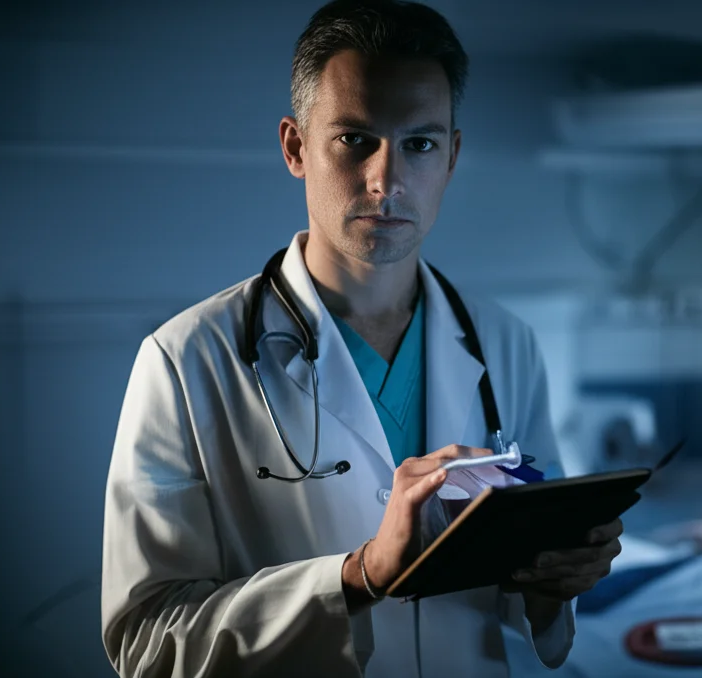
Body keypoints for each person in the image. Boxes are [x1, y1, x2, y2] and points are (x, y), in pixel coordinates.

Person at [100, 1, 624, 676]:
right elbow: (147, 641)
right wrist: (361, 575)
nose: (387, 179)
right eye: (354, 139)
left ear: (452, 157)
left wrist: (556, 580)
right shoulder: (185, 362)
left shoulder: (506, 344)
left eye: (419, 144)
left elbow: (529, 619)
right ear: (295, 147)